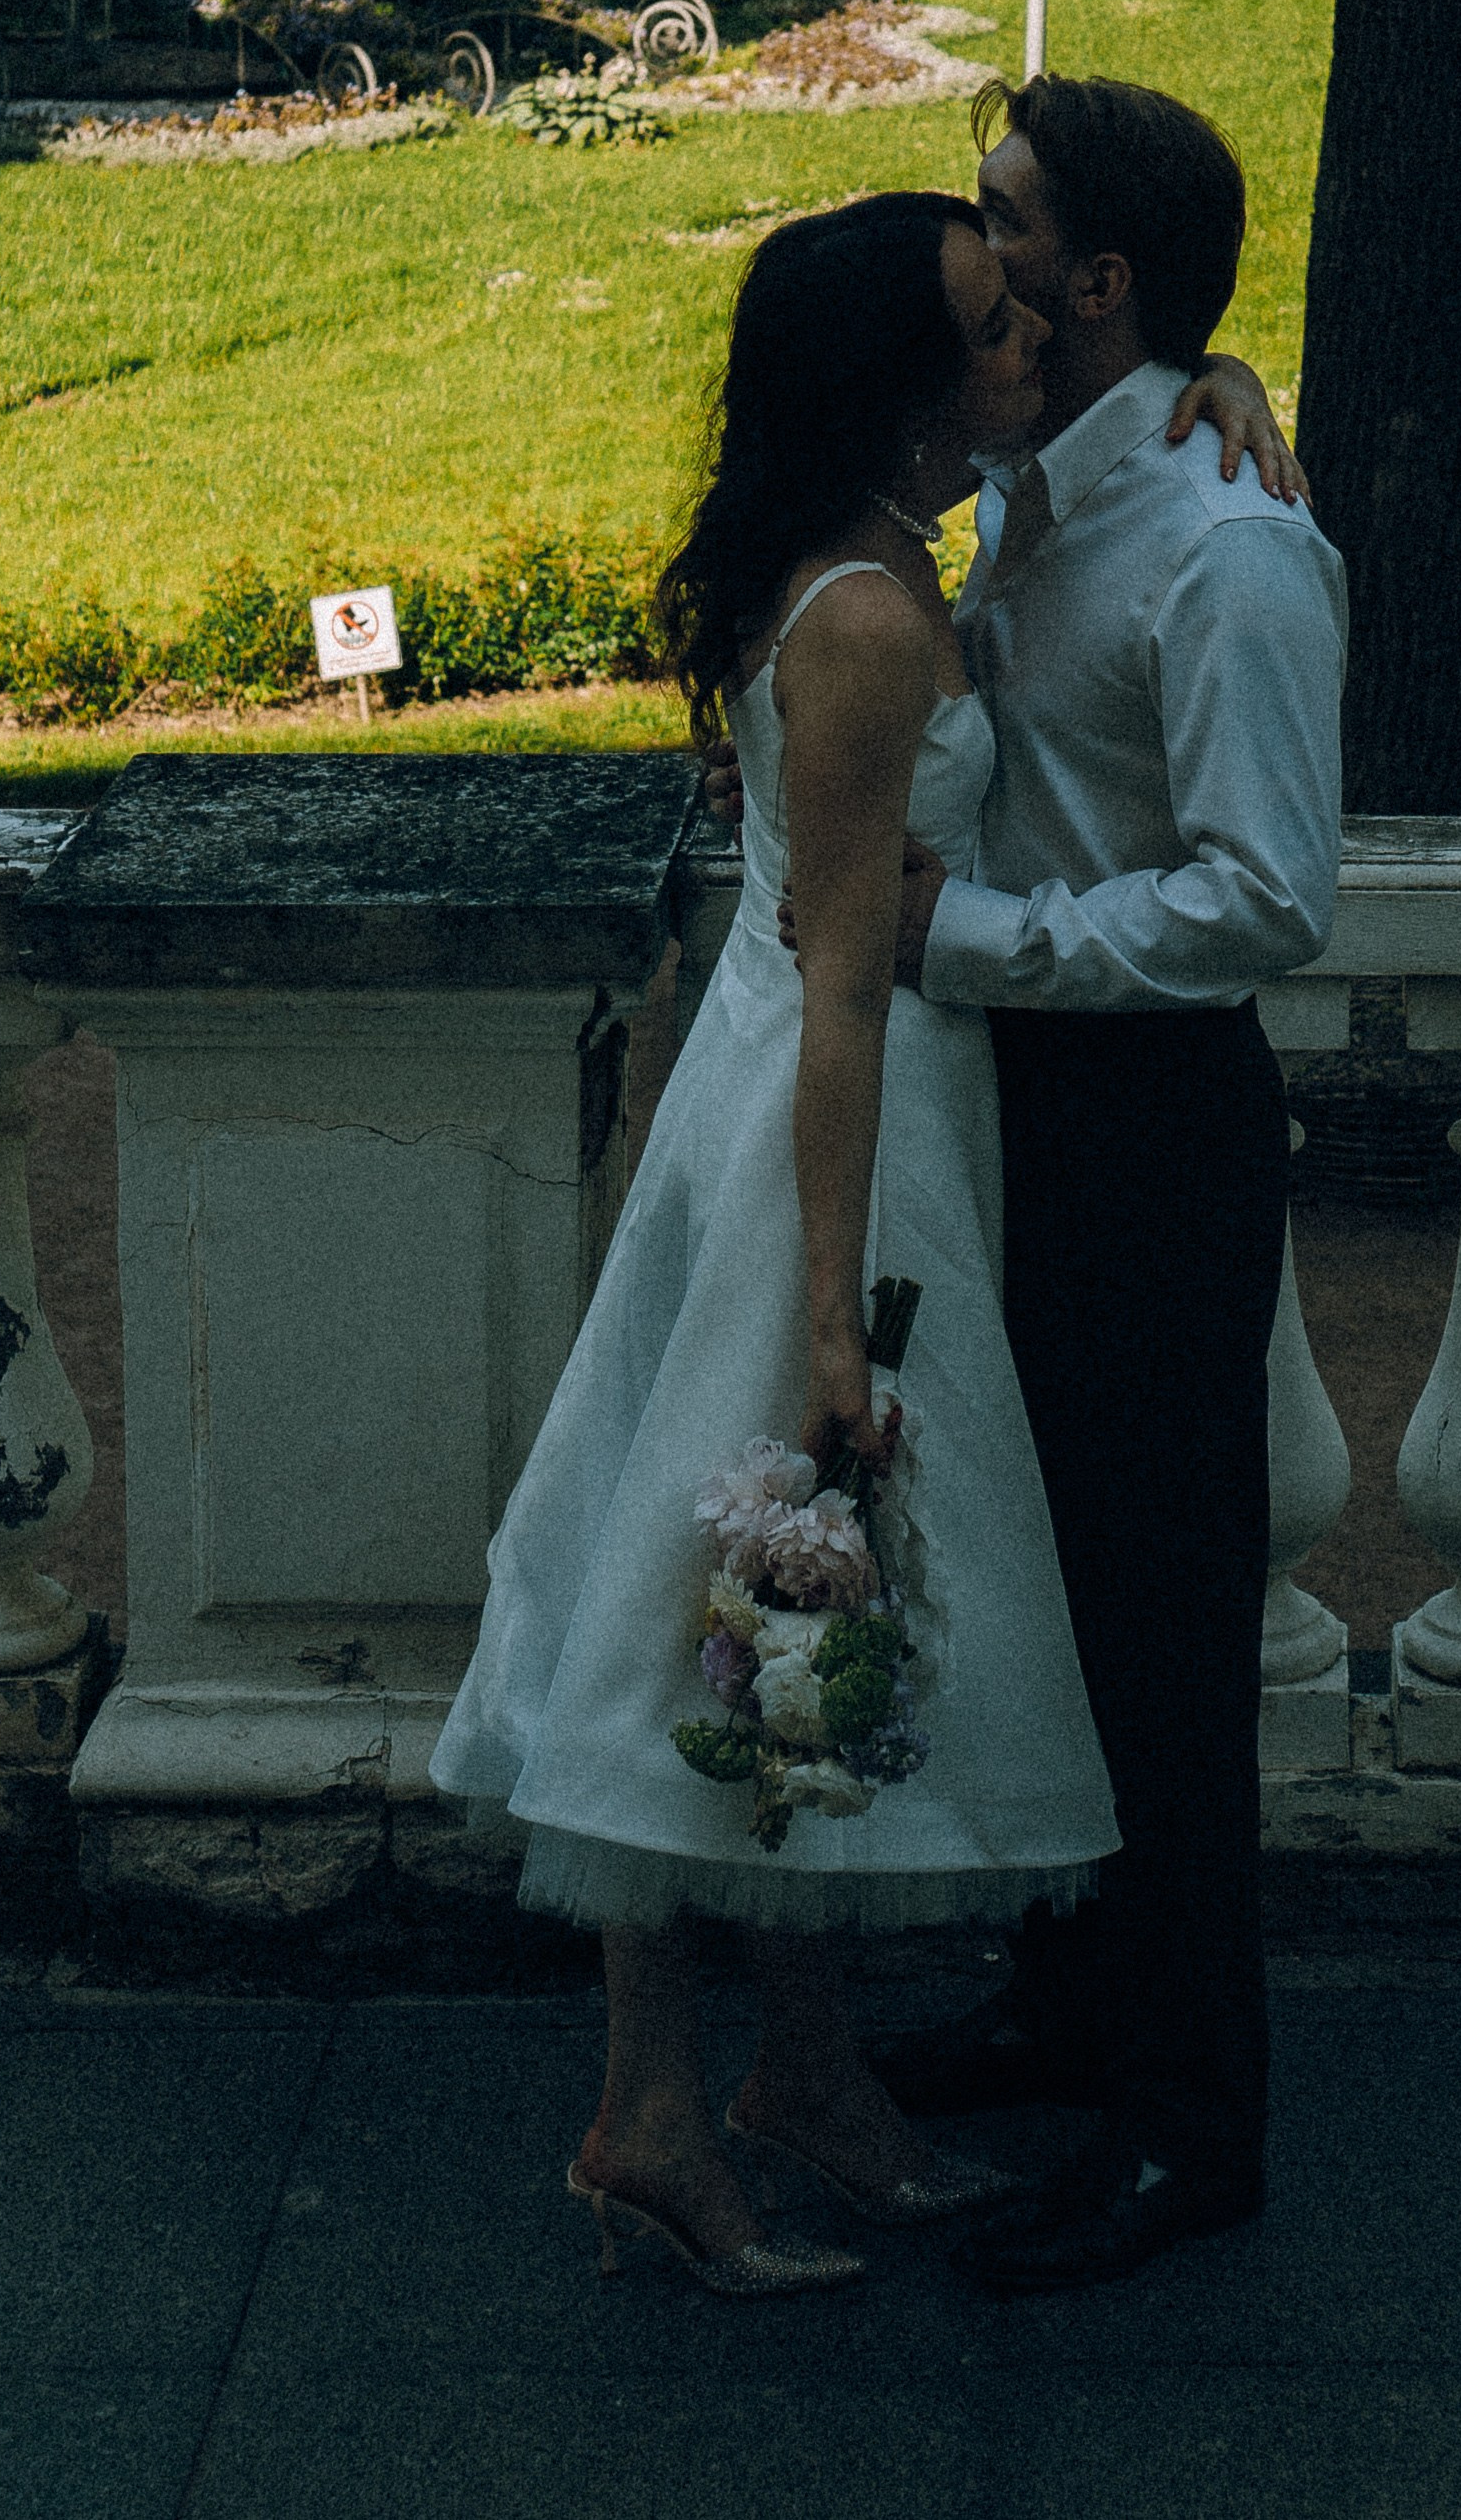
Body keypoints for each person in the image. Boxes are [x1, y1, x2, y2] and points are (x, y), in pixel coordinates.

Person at [430, 191, 1121, 2297]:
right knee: (724, 1593)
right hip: (840, 1139)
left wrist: (1226, 395)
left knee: (781, 1607)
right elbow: (837, 978)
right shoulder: (864, 626)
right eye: (998, 337)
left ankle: (796, 2079)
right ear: (896, 393)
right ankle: (652, 2108)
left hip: (805, 1113)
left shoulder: (888, 559)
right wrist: (829, 1306)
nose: (1031, 355)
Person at [864, 74, 1347, 2292]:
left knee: (1156, 1631)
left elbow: (1265, 902)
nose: (979, 250)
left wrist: (967, 948)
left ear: (1099, 277)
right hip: (1010, 1110)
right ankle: (1068, 2004)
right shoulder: (1043, 481)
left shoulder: (1229, 551)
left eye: (1007, 219)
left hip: (1144, 1120)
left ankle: (1192, 2122)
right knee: (1030, 1585)